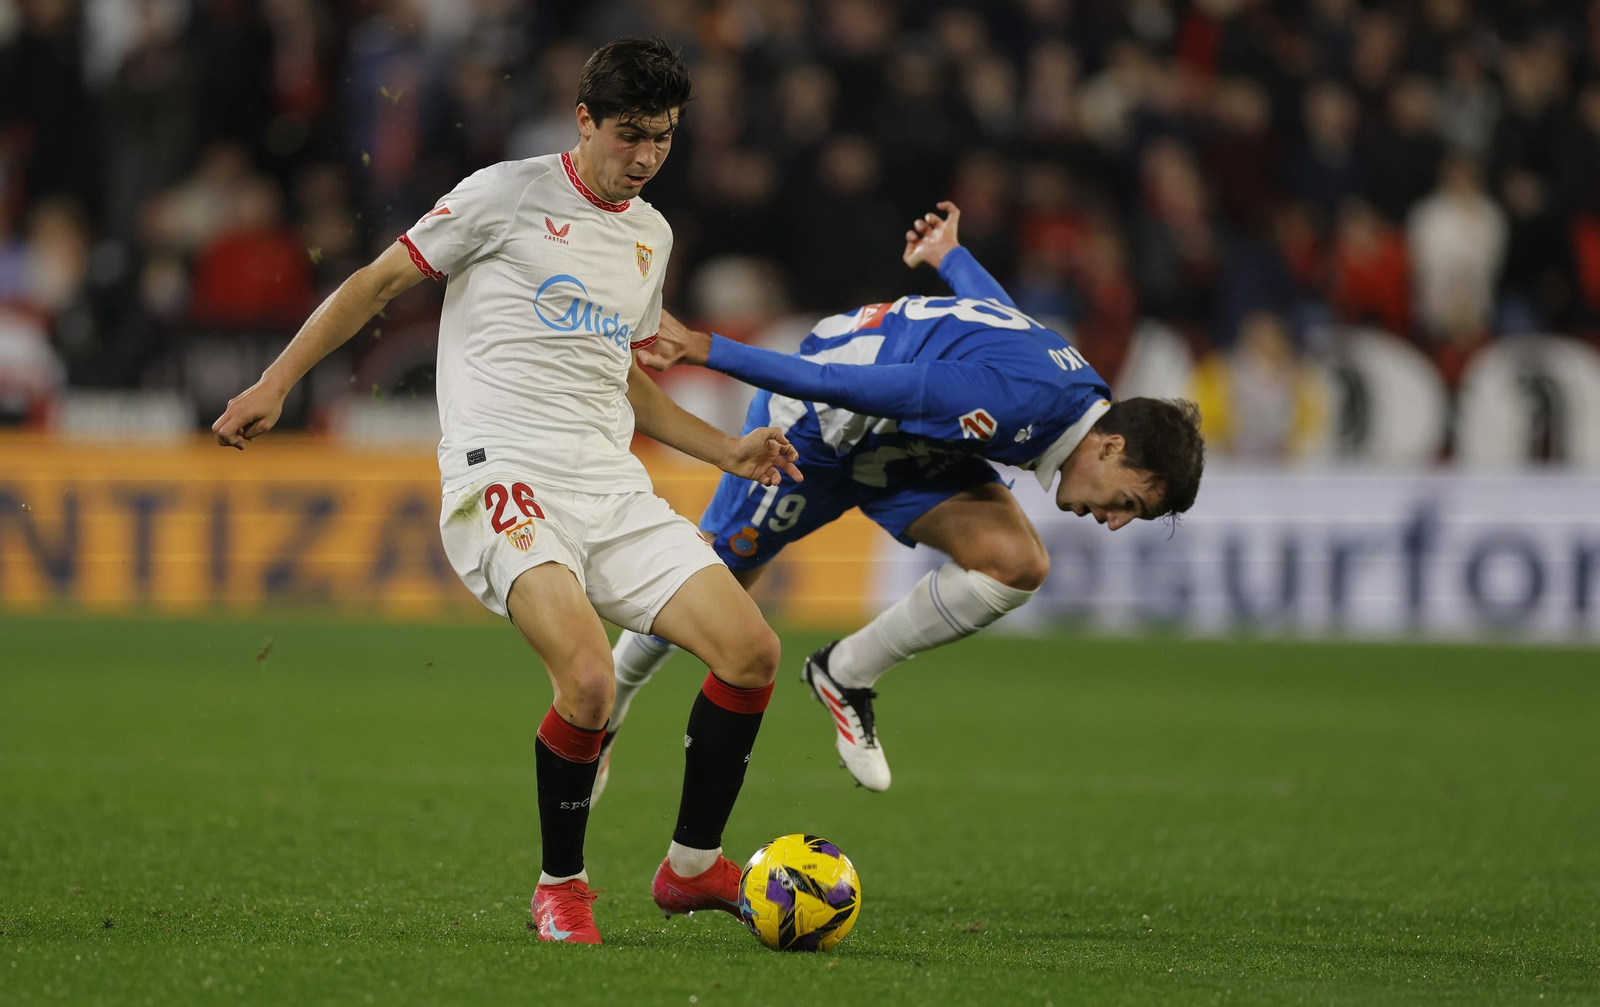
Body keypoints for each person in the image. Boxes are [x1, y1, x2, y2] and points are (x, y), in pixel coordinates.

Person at [210, 37, 801, 945]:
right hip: (504, 475)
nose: (646, 157)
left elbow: (623, 374)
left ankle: (690, 868)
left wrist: (727, 449)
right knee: (590, 682)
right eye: (631, 134)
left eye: (666, 139)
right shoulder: (506, 193)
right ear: (585, 121)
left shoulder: (651, 235)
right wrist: (276, 382)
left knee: (752, 652)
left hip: (611, 482)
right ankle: (560, 885)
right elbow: (373, 286)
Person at [600, 201, 1204, 795]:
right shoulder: (1012, 405)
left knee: (1019, 564)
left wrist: (953, 256)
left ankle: (846, 673)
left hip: (898, 449)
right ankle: (611, 705)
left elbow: (1000, 313)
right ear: (1111, 447)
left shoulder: (1077, 392)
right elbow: (839, 383)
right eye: (1128, 502)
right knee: (714, 586)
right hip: (814, 431)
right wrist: (708, 350)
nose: (1115, 523)